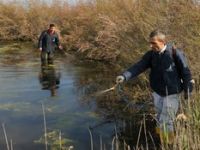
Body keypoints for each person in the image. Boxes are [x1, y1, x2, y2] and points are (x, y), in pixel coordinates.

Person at [116, 30, 194, 145]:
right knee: (159, 118)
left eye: (154, 43)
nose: (151, 45)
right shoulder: (151, 55)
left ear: (162, 42)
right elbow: (139, 66)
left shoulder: (175, 53)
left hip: (172, 93)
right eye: (150, 43)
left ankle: (168, 143)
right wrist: (124, 76)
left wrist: (188, 89)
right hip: (157, 93)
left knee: (166, 121)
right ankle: (161, 140)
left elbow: (186, 72)